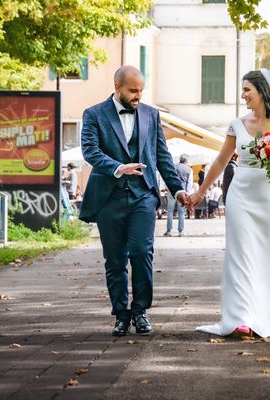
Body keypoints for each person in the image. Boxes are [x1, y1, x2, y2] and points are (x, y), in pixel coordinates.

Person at [189, 69, 270, 338]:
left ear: (262, 92)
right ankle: (240, 318)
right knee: (240, 255)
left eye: (247, 90)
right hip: (241, 195)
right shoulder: (237, 125)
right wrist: (200, 193)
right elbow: (221, 161)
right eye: (243, 89)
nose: (243, 95)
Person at [79, 65, 187, 337]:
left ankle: (140, 311)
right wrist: (118, 167)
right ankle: (120, 314)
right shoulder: (93, 114)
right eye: (133, 90)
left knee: (141, 252)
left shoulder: (151, 115)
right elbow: (90, 150)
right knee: (114, 259)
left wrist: (177, 190)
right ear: (117, 87)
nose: (139, 95)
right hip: (108, 198)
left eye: (141, 90)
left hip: (143, 195)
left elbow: (162, 156)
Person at [164, 154, 193, 237]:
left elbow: (169, 178)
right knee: (181, 212)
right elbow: (189, 183)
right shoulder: (189, 169)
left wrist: (167, 188)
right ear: (187, 161)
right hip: (183, 193)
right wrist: (188, 193)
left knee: (169, 211)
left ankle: (169, 231)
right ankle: (181, 231)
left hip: (172, 191)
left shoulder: (174, 166)